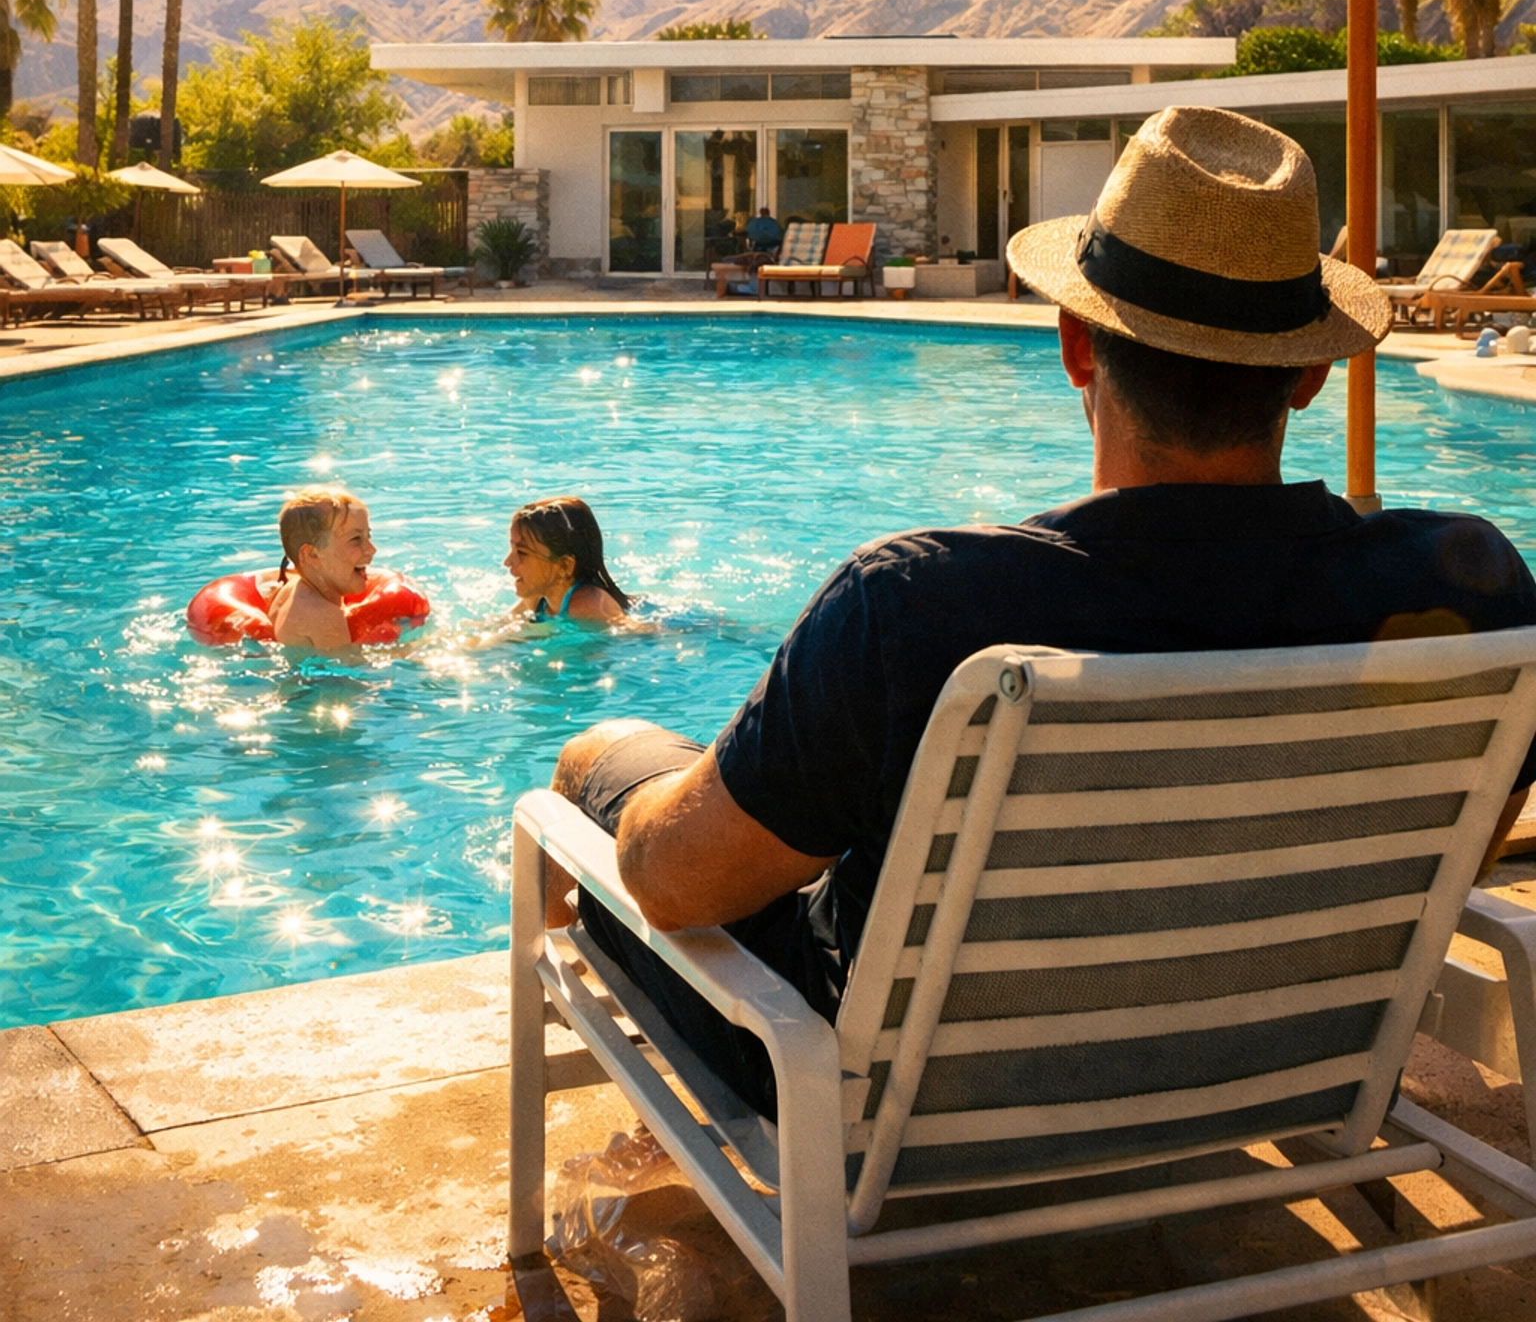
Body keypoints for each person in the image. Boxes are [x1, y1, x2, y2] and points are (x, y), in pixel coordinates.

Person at [546, 105, 1536, 1119]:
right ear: (1312, 375)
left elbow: (677, 889)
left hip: (918, 1109)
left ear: (1074, 345)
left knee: (600, 773)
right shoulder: (1470, 586)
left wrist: (617, 779)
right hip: (1283, 1064)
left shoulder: (922, 608)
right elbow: (1464, 852)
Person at [266, 488, 377, 652]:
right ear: (312, 555)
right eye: (355, 539)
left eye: (368, 536)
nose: (371, 549)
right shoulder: (325, 617)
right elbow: (347, 673)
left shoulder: (291, 589)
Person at [506, 495, 630, 621]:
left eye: (522, 552)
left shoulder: (589, 605)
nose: (507, 562)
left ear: (565, 566)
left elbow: (632, 636)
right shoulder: (536, 599)